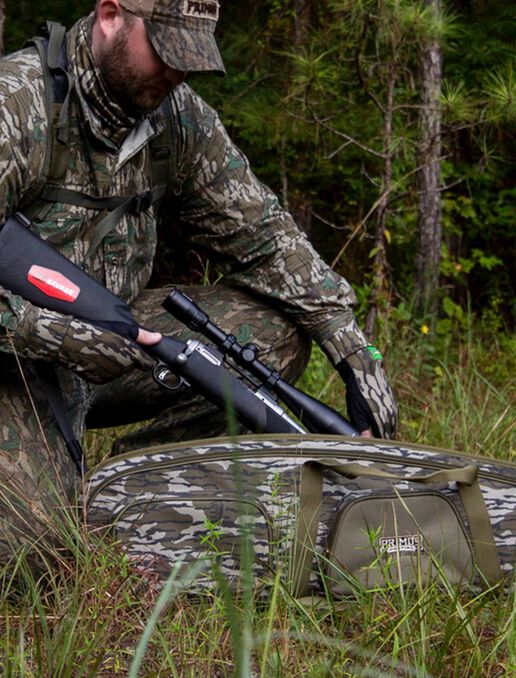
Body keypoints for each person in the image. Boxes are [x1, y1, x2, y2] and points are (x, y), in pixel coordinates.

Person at [0, 0, 398, 576]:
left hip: (118, 341)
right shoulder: (18, 103)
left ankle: (127, 490)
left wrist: (353, 349)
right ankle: (59, 503)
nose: (176, 73)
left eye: (190, 58)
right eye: (163, 51)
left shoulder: (176, 116)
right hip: (16, 358)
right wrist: (49, 333)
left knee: (276, 334)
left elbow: (264, 237)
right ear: (111, 14)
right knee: (28, 559)